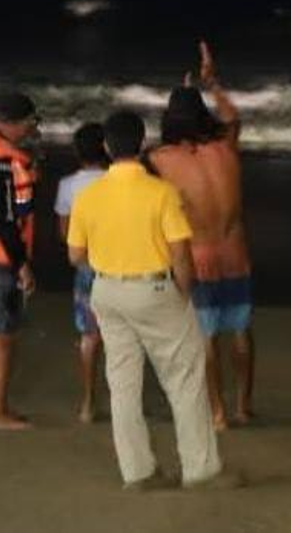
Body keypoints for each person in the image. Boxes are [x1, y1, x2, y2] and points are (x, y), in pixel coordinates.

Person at [67, 111, 235, 490]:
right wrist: (184, 290)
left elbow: (75, 255)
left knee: (123, 383)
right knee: (184, 379)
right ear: (142, 144)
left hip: (107, 292)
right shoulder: (161, 193)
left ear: (107, 148)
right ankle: (200, 469)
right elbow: (180, 253)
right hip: (155, 289)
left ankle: (138, 472)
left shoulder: (88, 196)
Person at [147, 41, 254, 430]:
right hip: (236, 251)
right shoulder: (226, 146)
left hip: (201, 255)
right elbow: (232, 115)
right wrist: (212, 81)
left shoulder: (160, 159)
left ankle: (218, 413)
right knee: (240, 329)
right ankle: (243, 406)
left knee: (205, 336)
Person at [55, 122, 109, 423]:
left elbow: (65, 234)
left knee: (89, 336)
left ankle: (88, 402)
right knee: (122, 338)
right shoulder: (117, 181)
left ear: (77, 152)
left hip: (87, 265)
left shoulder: (68, 185)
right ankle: (123, 400)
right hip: (120, 263)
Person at [0, 92, 38, 431]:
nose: (31, 128)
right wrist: (21, 264)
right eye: (29, 122)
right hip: (2, 263)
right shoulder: (12, 162)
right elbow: (8, 220)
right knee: (4, 338)